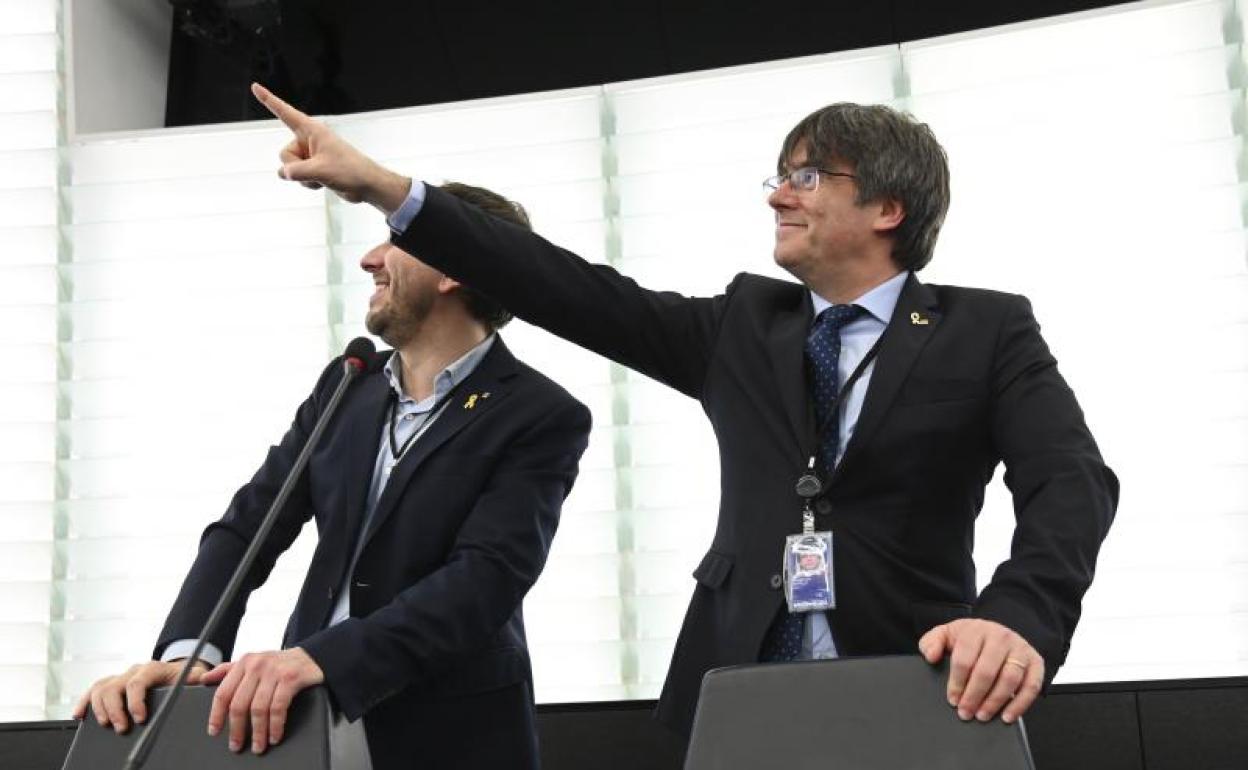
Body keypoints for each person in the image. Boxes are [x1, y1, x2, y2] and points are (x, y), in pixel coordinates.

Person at [250, 83, 1119, 739]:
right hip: (732, 693)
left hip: (917, 686)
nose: (778, 195)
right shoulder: (744, 325)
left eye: (807, 176)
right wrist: (387, 190)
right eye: (780, 176)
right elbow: (566, 288)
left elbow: (1072, 481)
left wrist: (1017, 616)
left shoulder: (987, 330)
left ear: (889, 208)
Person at [72, 182, 593, 770]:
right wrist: (189, 656)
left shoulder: (541, 413)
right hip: (302, 726)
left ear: (452, 268)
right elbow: (249, 527)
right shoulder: (347, 384)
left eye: (395, 242)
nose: (370, 259)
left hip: (450, 736)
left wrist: (326, 658)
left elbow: (486, 579)